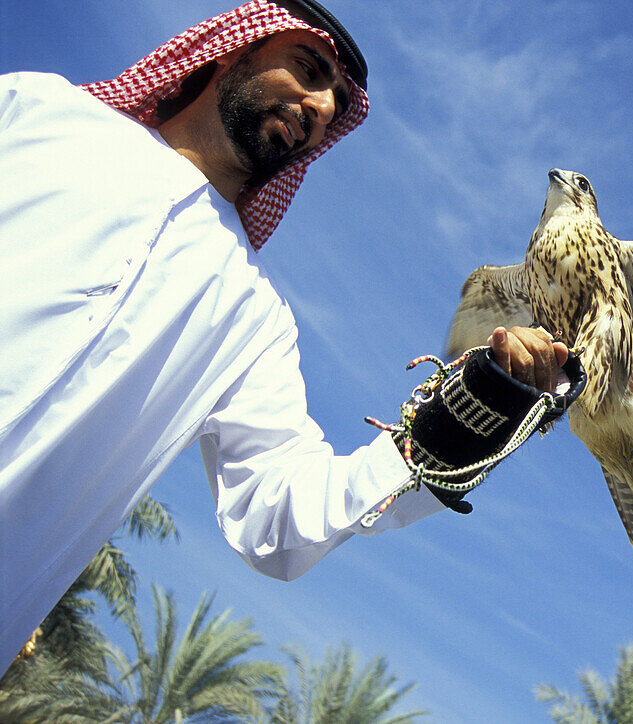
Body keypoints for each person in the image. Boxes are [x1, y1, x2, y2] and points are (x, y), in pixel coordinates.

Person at [0, 0, 568, 672]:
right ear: (235, 49)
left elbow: (277, 522)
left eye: (335, 99)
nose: (322, 104)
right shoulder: (36, 116)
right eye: (309, 67)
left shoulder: (251, 317)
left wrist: (446, 435)